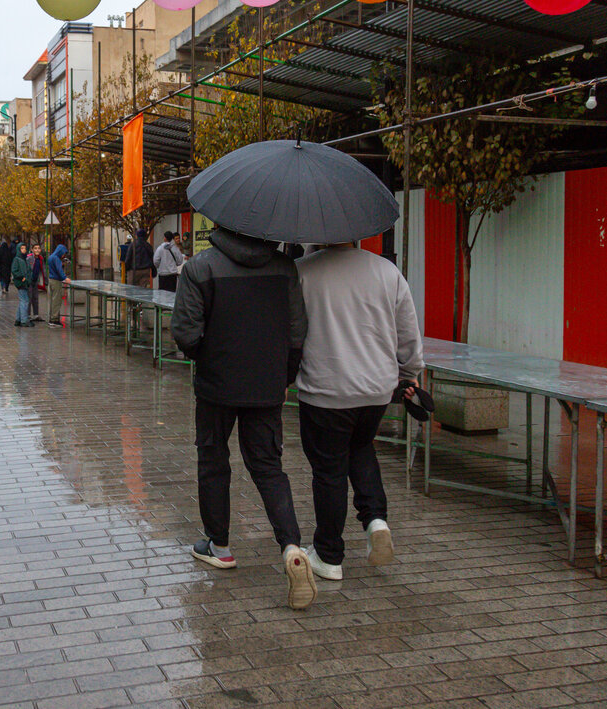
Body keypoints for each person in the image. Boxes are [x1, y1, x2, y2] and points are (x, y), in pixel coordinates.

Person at [171, 225, 314, 611]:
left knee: (214, 461)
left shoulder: (199, 267)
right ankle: (291, 546)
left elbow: (185, 333)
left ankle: (219, 545)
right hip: (267, 385)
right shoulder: (285, 268)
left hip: (217, 387)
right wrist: (283, 375)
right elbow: (298, 331)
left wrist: (208, 355)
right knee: (269, 466)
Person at [293, 243, 423, 582]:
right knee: (361, 448)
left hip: (326, 389)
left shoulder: (302, 271)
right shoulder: (386, 271)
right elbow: (408, 331)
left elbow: (289, 331)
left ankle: (328, 554)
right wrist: (410, 372)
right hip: (376, 389)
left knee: (329, 469)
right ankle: (375, 520)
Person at [46, 244, 69, 329]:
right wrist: (65, 278)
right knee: (57, 300)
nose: (63, 256)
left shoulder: (51, 257)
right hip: (56, 281)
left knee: (52, 300)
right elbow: (59, 270)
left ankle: (52, 317)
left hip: (51, 280)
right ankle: (54, 319)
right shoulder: (56, 259)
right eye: (63, 254)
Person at [11, 242, 33, 327]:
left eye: (25, 248)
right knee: (25, 301)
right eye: (22, 248)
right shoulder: (17, 259)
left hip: (25, 282)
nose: (24, 250)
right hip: (21, 282)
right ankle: (24, 320)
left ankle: (19, 319)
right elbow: (14, 270)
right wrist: (22, 277)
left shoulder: (24, 258)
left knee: (22, 301)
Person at [28, 244, 45, 322]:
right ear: (32, 250)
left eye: (38, 248)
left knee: (35, 298)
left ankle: (36, 314)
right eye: (35, 248)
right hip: (29, 281)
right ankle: (27, 315)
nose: (37, 250)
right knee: (29, 298)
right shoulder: (29, 258)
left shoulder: (40, 259)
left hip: (35, 280)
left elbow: (43, 270)